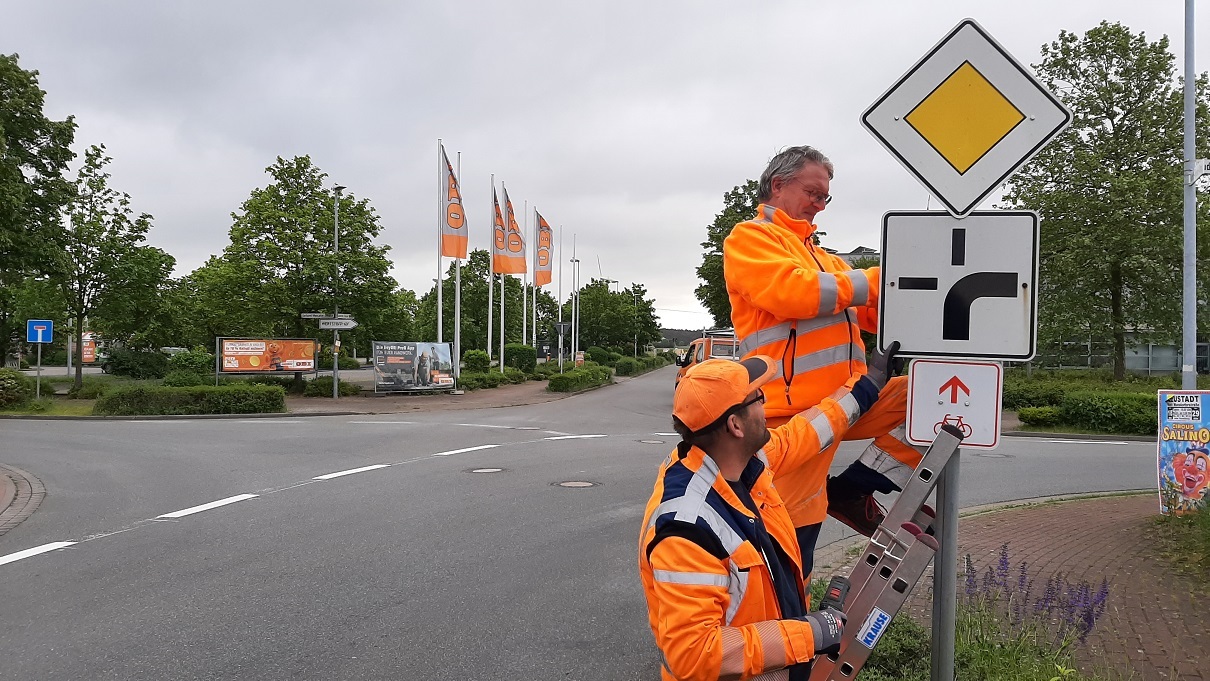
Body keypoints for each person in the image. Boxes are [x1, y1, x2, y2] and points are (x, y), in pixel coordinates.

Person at [638, 345, 897, 680]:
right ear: (735, 425)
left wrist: (868, 386)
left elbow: (808, 431)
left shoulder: (744, 464)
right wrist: (810, 634)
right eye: (758, 396)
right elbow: (695, 655)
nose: (766, 404)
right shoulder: (687, 529)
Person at [723, 145, 922, 577]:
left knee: (941, 394)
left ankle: (857, 488)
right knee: (790, 553)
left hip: (850, 401)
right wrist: (878, 280)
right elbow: (792, 293)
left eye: (825, 198)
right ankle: (779, 639)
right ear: (778, 185)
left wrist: (925, 290)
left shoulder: (826, 260)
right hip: (791, 421)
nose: (820, 206)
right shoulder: (750, 238)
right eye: (814, 193)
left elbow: (870, 312)